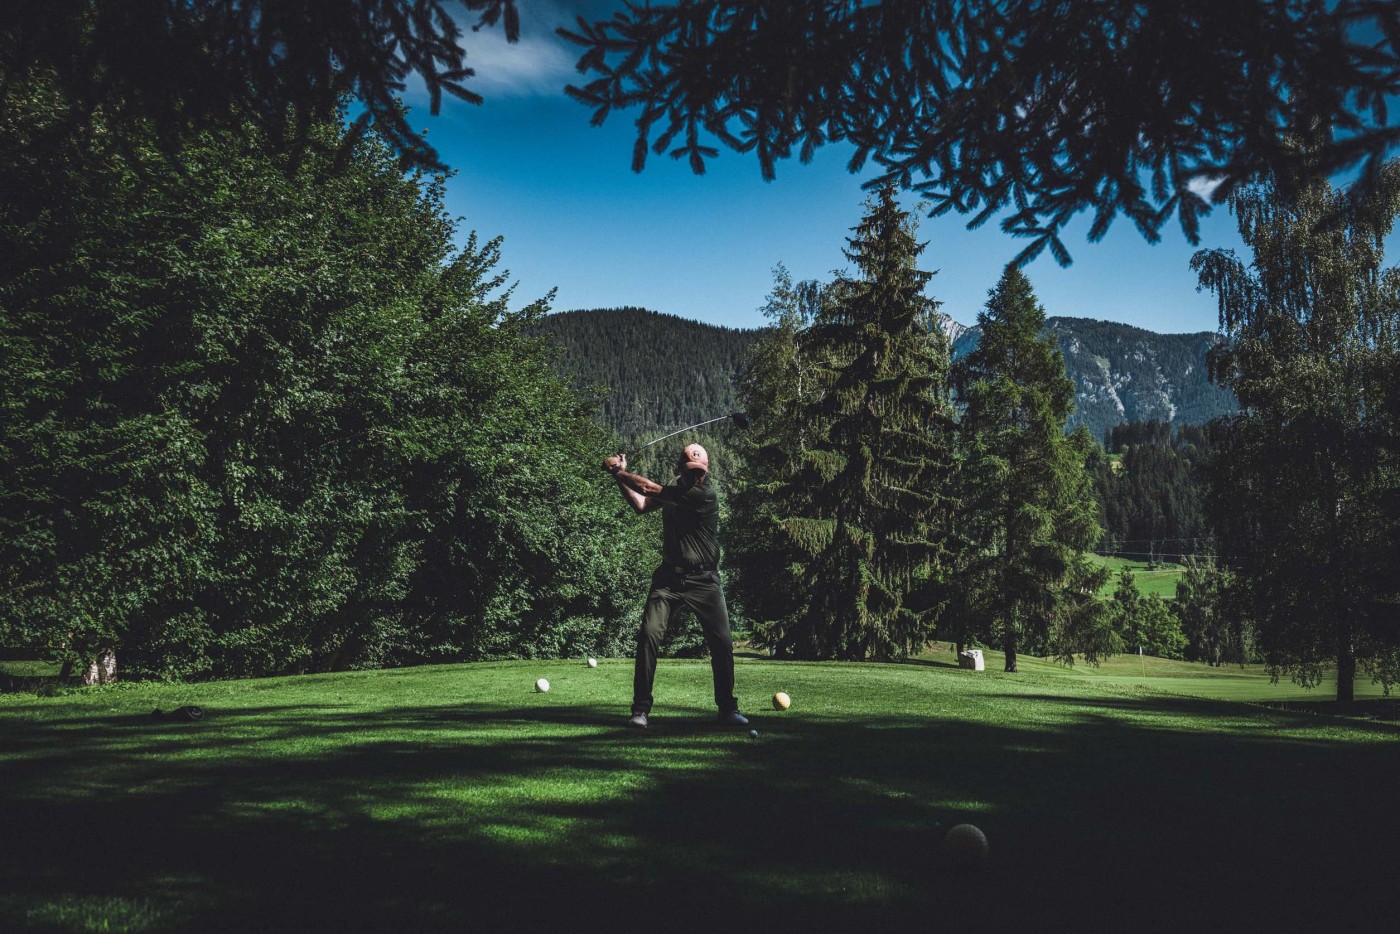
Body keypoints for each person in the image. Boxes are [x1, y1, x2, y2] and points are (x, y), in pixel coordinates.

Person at [605, 443, 747, 730]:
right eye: (692, 470)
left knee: (721, 643)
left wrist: (620, 472)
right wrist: (617, 478)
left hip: (704, 580)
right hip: (668, 578)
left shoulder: (702, 495)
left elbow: (648, 489)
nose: (698, 476)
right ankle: (641, 710)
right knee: (648, 636)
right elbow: (641, 504)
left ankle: (728, 709)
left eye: (701, 471)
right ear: (680, 469)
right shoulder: (673, 489)